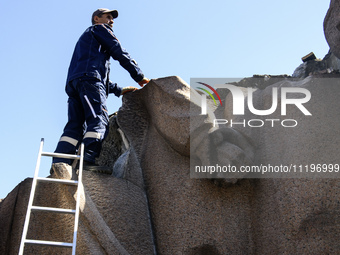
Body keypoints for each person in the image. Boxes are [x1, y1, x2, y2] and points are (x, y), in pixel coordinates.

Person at [52, 8, 149, 174]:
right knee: (99, 120)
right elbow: (118, 51)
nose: (112, 21)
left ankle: (60, 164)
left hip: (76, 84)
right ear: (96, 19)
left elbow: (94, 72)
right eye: (108, 17)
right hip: (88, 82)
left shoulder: (87, 41)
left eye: (112, 18)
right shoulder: (100, 30)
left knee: (74, 127)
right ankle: (87, 159)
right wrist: (139, 76)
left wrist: (119, 89)